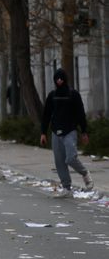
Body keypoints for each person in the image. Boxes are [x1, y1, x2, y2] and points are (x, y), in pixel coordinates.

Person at [40, 68, 95, 198]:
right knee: (59, 161)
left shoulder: (73, 94)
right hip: (55, 132)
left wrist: (84, 131)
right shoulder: (52, 95)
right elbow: (46, 115)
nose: (59, 81)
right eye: (57, 79)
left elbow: (81, 113)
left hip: (70, 131)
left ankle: (85, 173)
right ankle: (66, 188)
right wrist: (43, 132)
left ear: (65, 79)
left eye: (61, 78)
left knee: (70, 158)